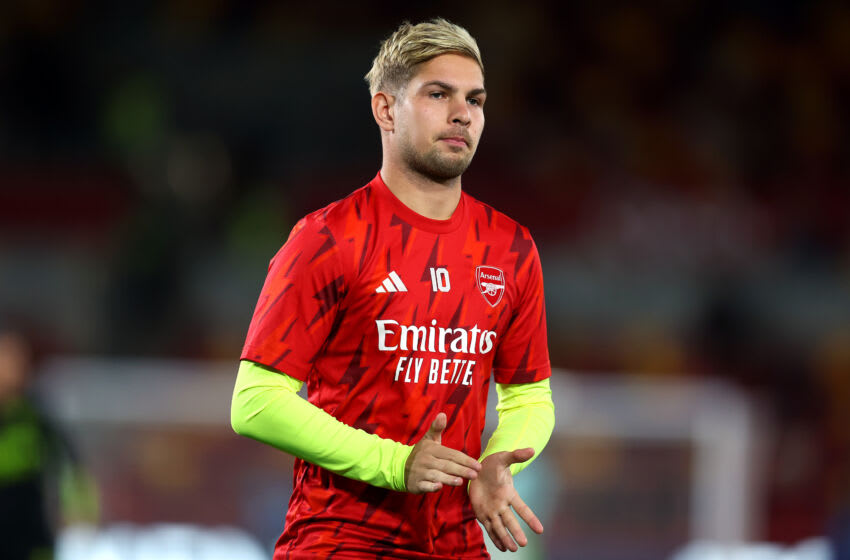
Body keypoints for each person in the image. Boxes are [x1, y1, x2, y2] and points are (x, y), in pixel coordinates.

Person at [231, 18, 555, 559]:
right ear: (385, 109)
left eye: (475, 100)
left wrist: (502, 457)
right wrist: (395, 464)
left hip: (458, 543)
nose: (462, 114)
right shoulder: (328, 238)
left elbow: (528, 395)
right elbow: (255, 402)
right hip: (340, 540)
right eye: (438, 94)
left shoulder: (510, 247)